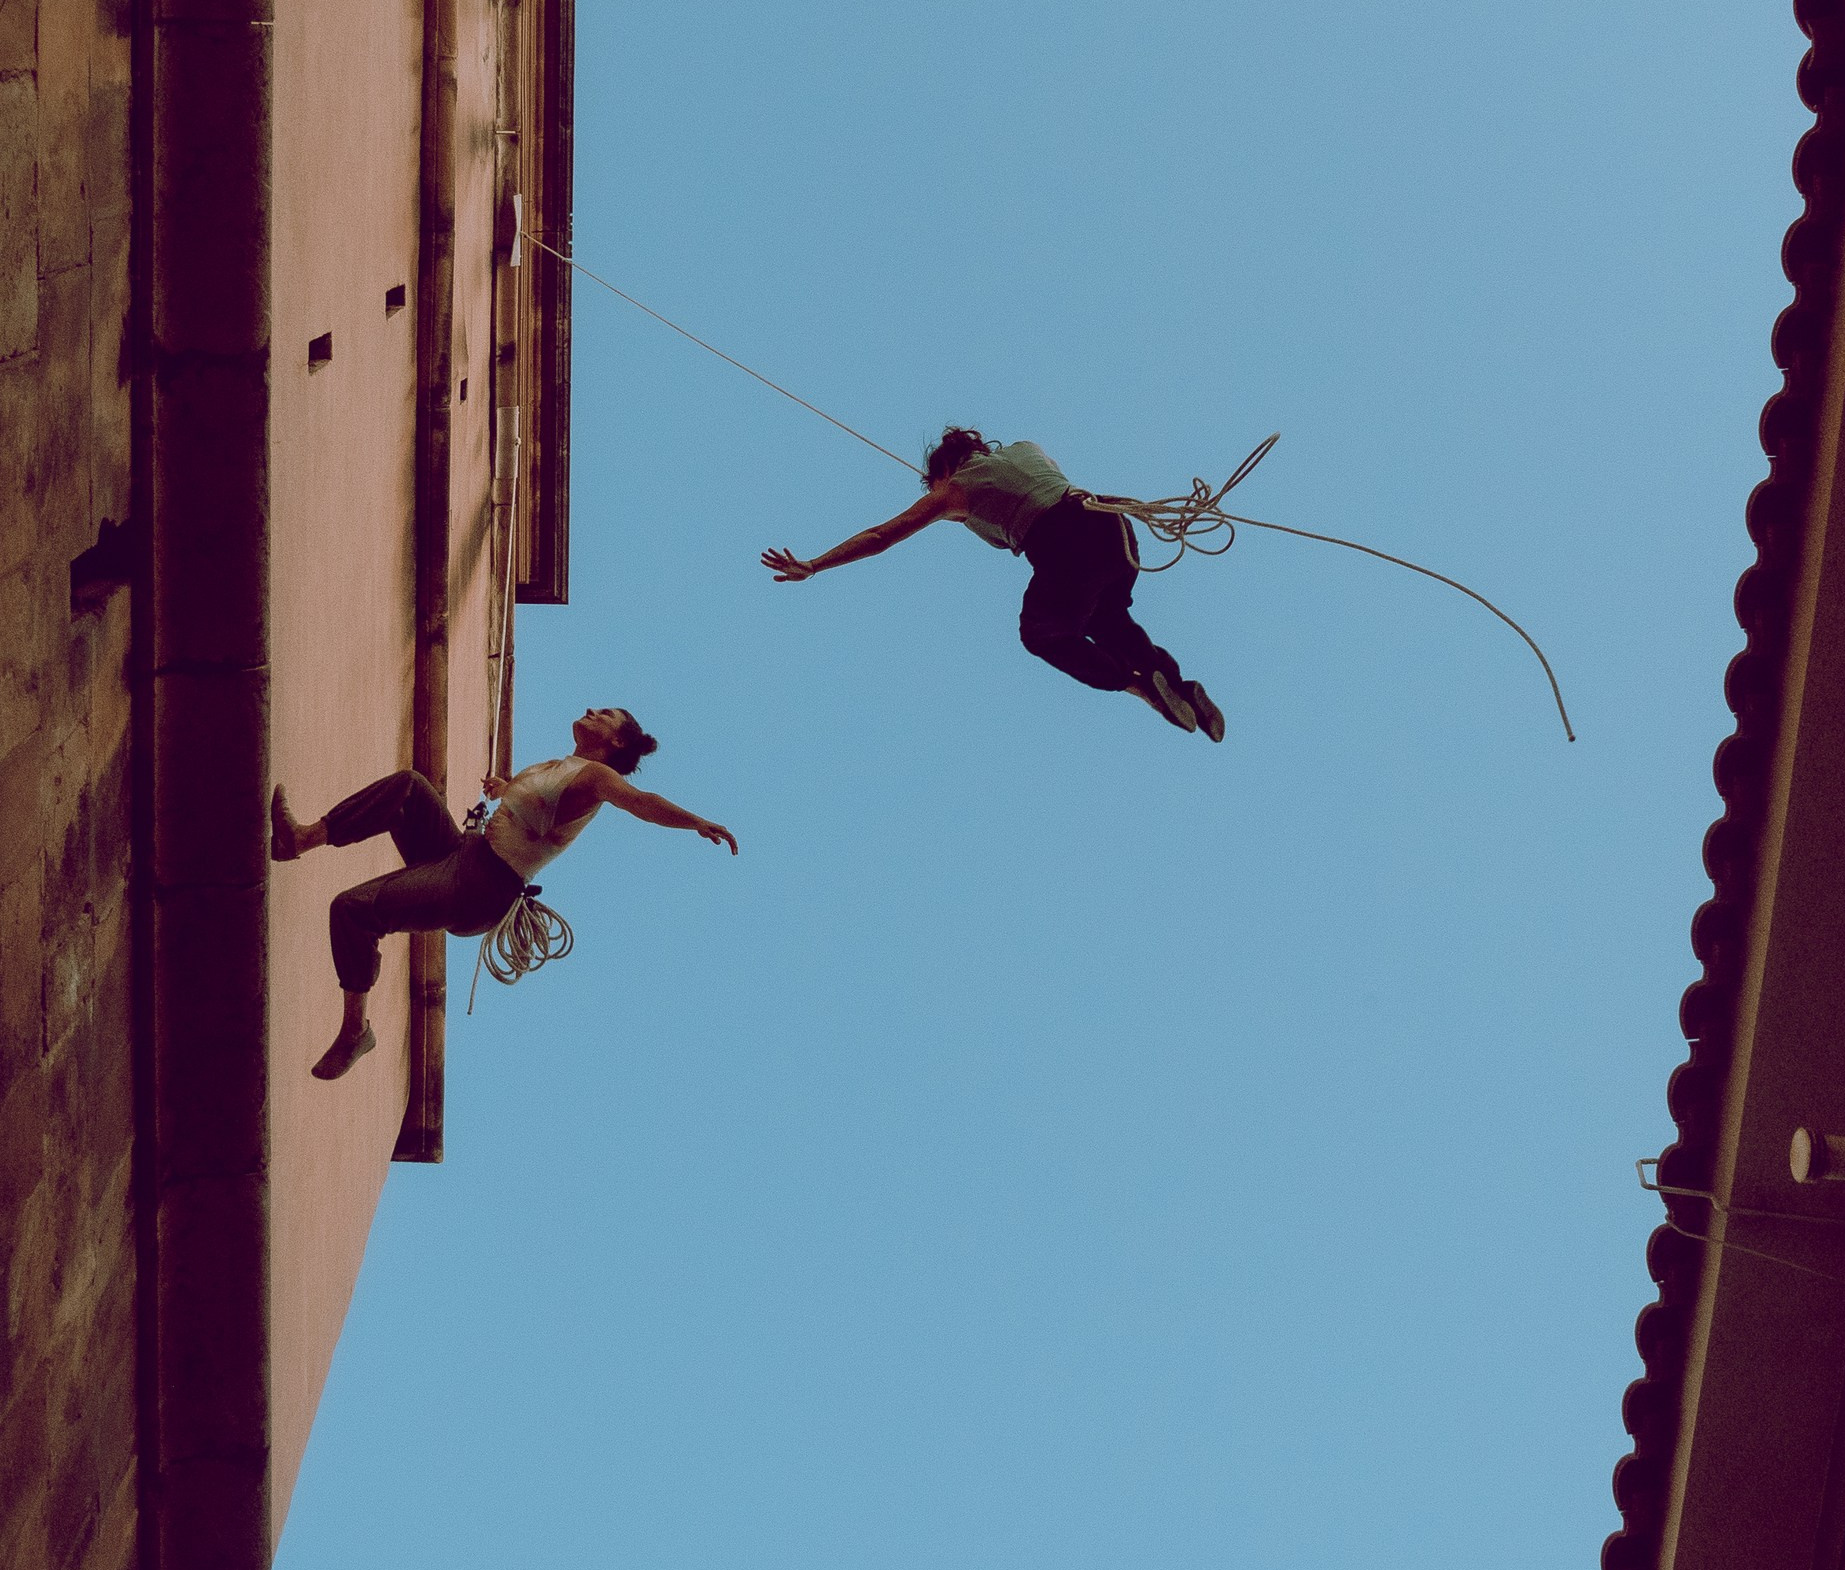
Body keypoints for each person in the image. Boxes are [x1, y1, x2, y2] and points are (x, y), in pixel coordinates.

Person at [271, 706, 738, 1080]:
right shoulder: (558, 766)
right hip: (464, 852)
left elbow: (641, 802)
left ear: (617, 741)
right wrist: (504, 788)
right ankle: (301, 839)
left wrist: (695, 822)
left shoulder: (598, 779)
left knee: (353, 909)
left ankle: (356, 1030)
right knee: (409, 788)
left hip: (483, 886)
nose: (592, 710)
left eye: (606, 714)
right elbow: (530, 804)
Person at [760, 427, 1225, 739]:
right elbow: (1044, 483)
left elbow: (881, 536)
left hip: (1062, 543)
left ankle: (1139, 687)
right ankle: (1178, 686)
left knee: (1041, 634)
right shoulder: (1027, 448)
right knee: (1107, 618)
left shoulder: (952, 490)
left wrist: (815, 565)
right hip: (1110, 528)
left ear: (943, 472)